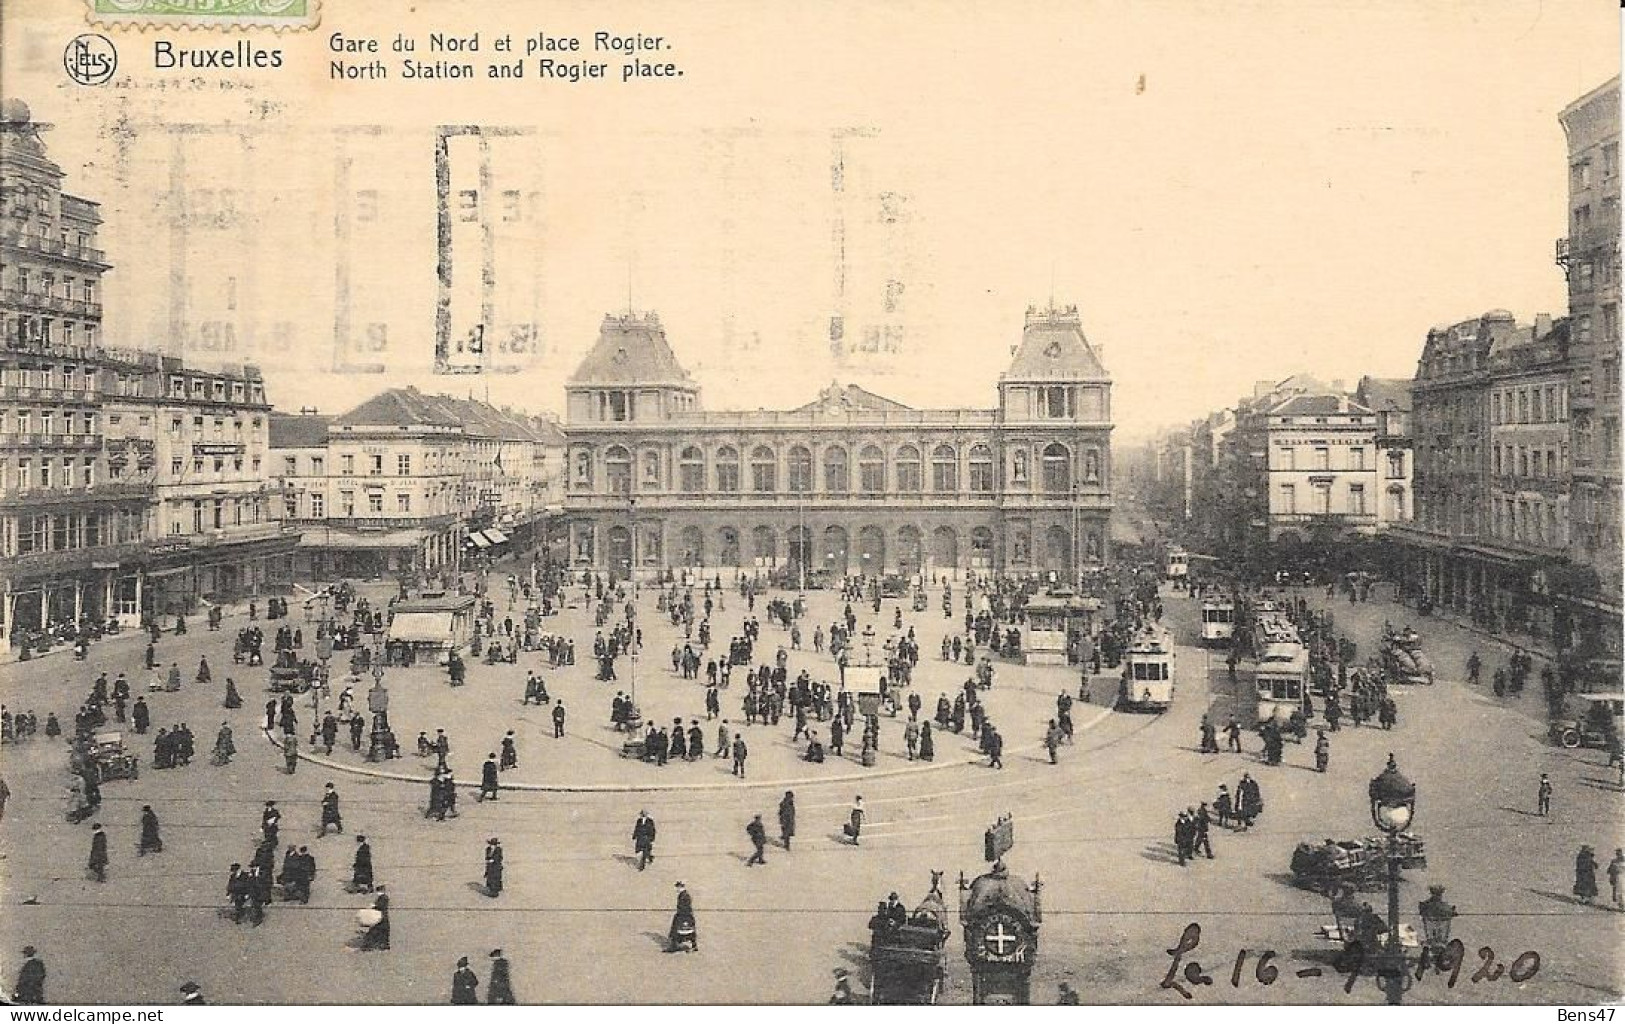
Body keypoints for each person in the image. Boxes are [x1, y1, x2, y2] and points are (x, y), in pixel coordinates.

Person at [668, 882, 697, 952]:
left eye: (677, 888)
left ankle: (674, 946)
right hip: (686, 915)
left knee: (676, 931)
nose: (676, 889)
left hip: (683, 916)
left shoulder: (684, 895)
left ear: (680, 887)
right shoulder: (684, 895)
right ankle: (693, 945)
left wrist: (680, 915)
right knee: (690, 931)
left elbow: (685, 907)